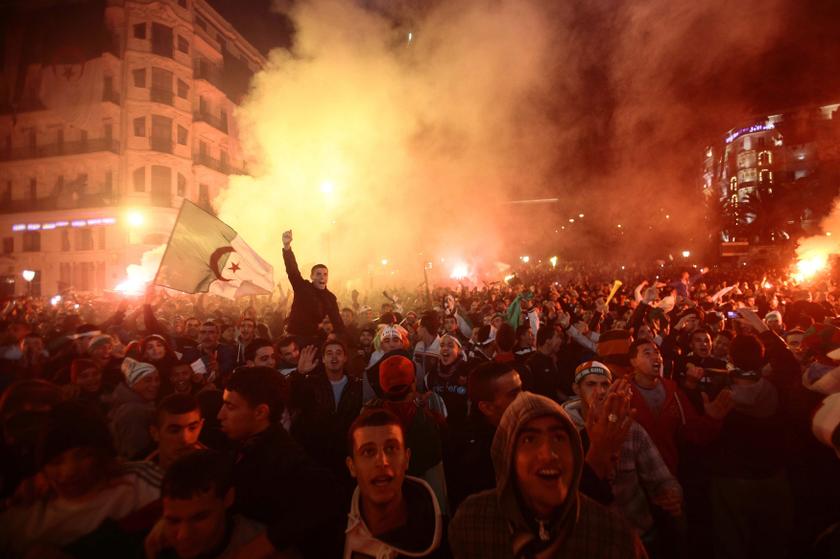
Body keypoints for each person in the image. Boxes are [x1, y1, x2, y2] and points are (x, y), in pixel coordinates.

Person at [449, 392, 646, 558]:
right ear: (507, 455)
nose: (548, 454)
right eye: (529, 439)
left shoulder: (611, 535)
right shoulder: (472, 521)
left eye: (559, 437)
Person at [0, 401, 160, 556]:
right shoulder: (21, 516)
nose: (69, 471)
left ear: (100, 455)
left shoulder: (137, 482)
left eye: (82, 456)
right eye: (56, 462)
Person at [217, 366, 344, 558]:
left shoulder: (285, 459)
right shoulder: (242, 446)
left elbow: (325, 494)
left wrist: (264, 543)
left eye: (230, 406)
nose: (220, 415)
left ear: (261, 412)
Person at [562, 361, 683, 549]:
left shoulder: (630, 430)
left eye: (605, 384)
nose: (600, 391)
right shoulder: (564, 433)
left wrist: (671, 494)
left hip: (636, 534)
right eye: (591, 384)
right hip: (586, 538)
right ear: (576, 389)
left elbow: (661, 477)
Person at [343, 409, 446, 558]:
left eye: (391, 448)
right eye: (368, 451)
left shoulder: (448, 538)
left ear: (406, 459)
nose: (382, 462)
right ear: (351, 466)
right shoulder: (331, 533)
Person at [627, 339, 732, 475]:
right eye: (647, 353)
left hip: (669, 472)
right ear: (633, 361)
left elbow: (691, 431)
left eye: (657, 353)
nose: (655, 357)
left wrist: (711, 420)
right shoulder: (623, 392)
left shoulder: (673, 392)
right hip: (633, 477)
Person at [145, 449, 265, 559]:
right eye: (174, 520)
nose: (183, 535)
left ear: (228, 499)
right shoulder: (158, 545)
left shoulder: (258, 543)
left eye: (199, 518)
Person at [292, 340, 363, 489]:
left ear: (345, 358)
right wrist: (299, 374)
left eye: (338, 353)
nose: (334, 357)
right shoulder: (311, 383)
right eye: (329, 353)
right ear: (323, 359)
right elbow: (294, 400)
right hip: (315, 455)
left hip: (345, 455)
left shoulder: (357, 385)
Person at [281, 229, 345, 341]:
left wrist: (337, 335)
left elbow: (338, 322)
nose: (322, 277)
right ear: (311, 276)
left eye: (325, 274)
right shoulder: (303, 287)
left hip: (315, 340)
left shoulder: (330, 298)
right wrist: (287, 248)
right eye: (318, 274)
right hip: (295, 339)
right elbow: (292, 270)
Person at [110, 357, 161, 460]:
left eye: (157, 379)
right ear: (132, 383)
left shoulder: (140, 404)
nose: (154, 384)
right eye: (147, 380)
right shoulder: (133, 412)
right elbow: (137, 452)